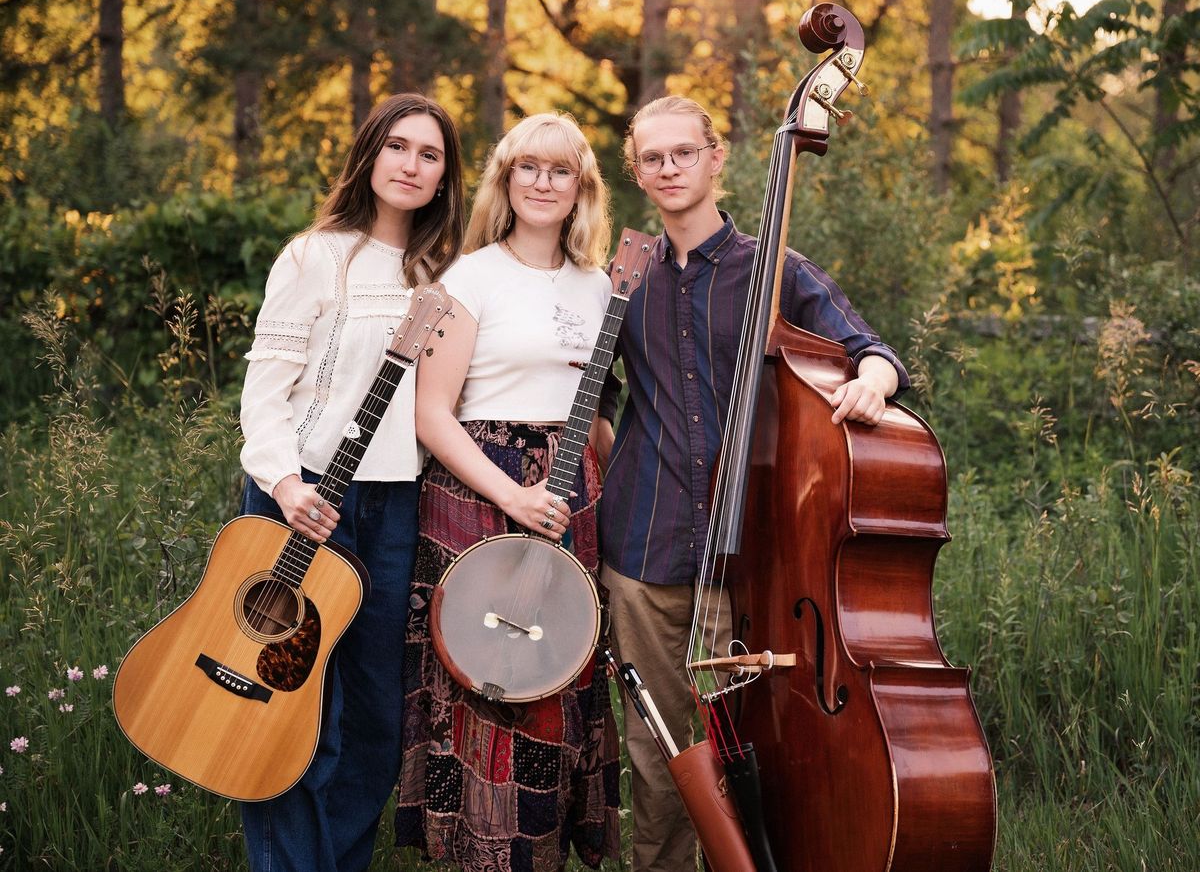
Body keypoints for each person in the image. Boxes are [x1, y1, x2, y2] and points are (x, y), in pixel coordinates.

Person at [595, 95, 911, 872]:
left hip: (756, 566)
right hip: (643, 548)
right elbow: (591, 398)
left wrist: (873, 380)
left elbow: (870, 347)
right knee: (657, 752)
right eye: (653, 157)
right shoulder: (624, 279)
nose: (669, 168)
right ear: (637, 172)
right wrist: (621, 459)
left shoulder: (775, 270)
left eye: (683, 152)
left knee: (752, 752)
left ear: (716, 157)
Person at [237, 93, 465, 872]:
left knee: (370, 711)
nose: (410, 164)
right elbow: (268, 386)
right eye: (398, 146)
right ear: (370, 155)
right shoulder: (314, 255)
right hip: (300, 500)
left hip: (394, 502)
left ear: (445, 176)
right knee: (284, 701)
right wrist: (284, 481)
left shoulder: (446, 273)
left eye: (429, 154)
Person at [395, 112, 621, 872]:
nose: (543, 183)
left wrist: (612, 491)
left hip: (569, 497)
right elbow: (432, 413)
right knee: (485, 677)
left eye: (560, 171)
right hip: (479, 491)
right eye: (528, 167)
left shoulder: (600, 286)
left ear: (581, 188)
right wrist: (512, 495)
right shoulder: (471, 276)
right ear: (506, 180)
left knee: (555, 674)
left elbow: (594, 414)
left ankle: (540, 847)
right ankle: (481, 852)